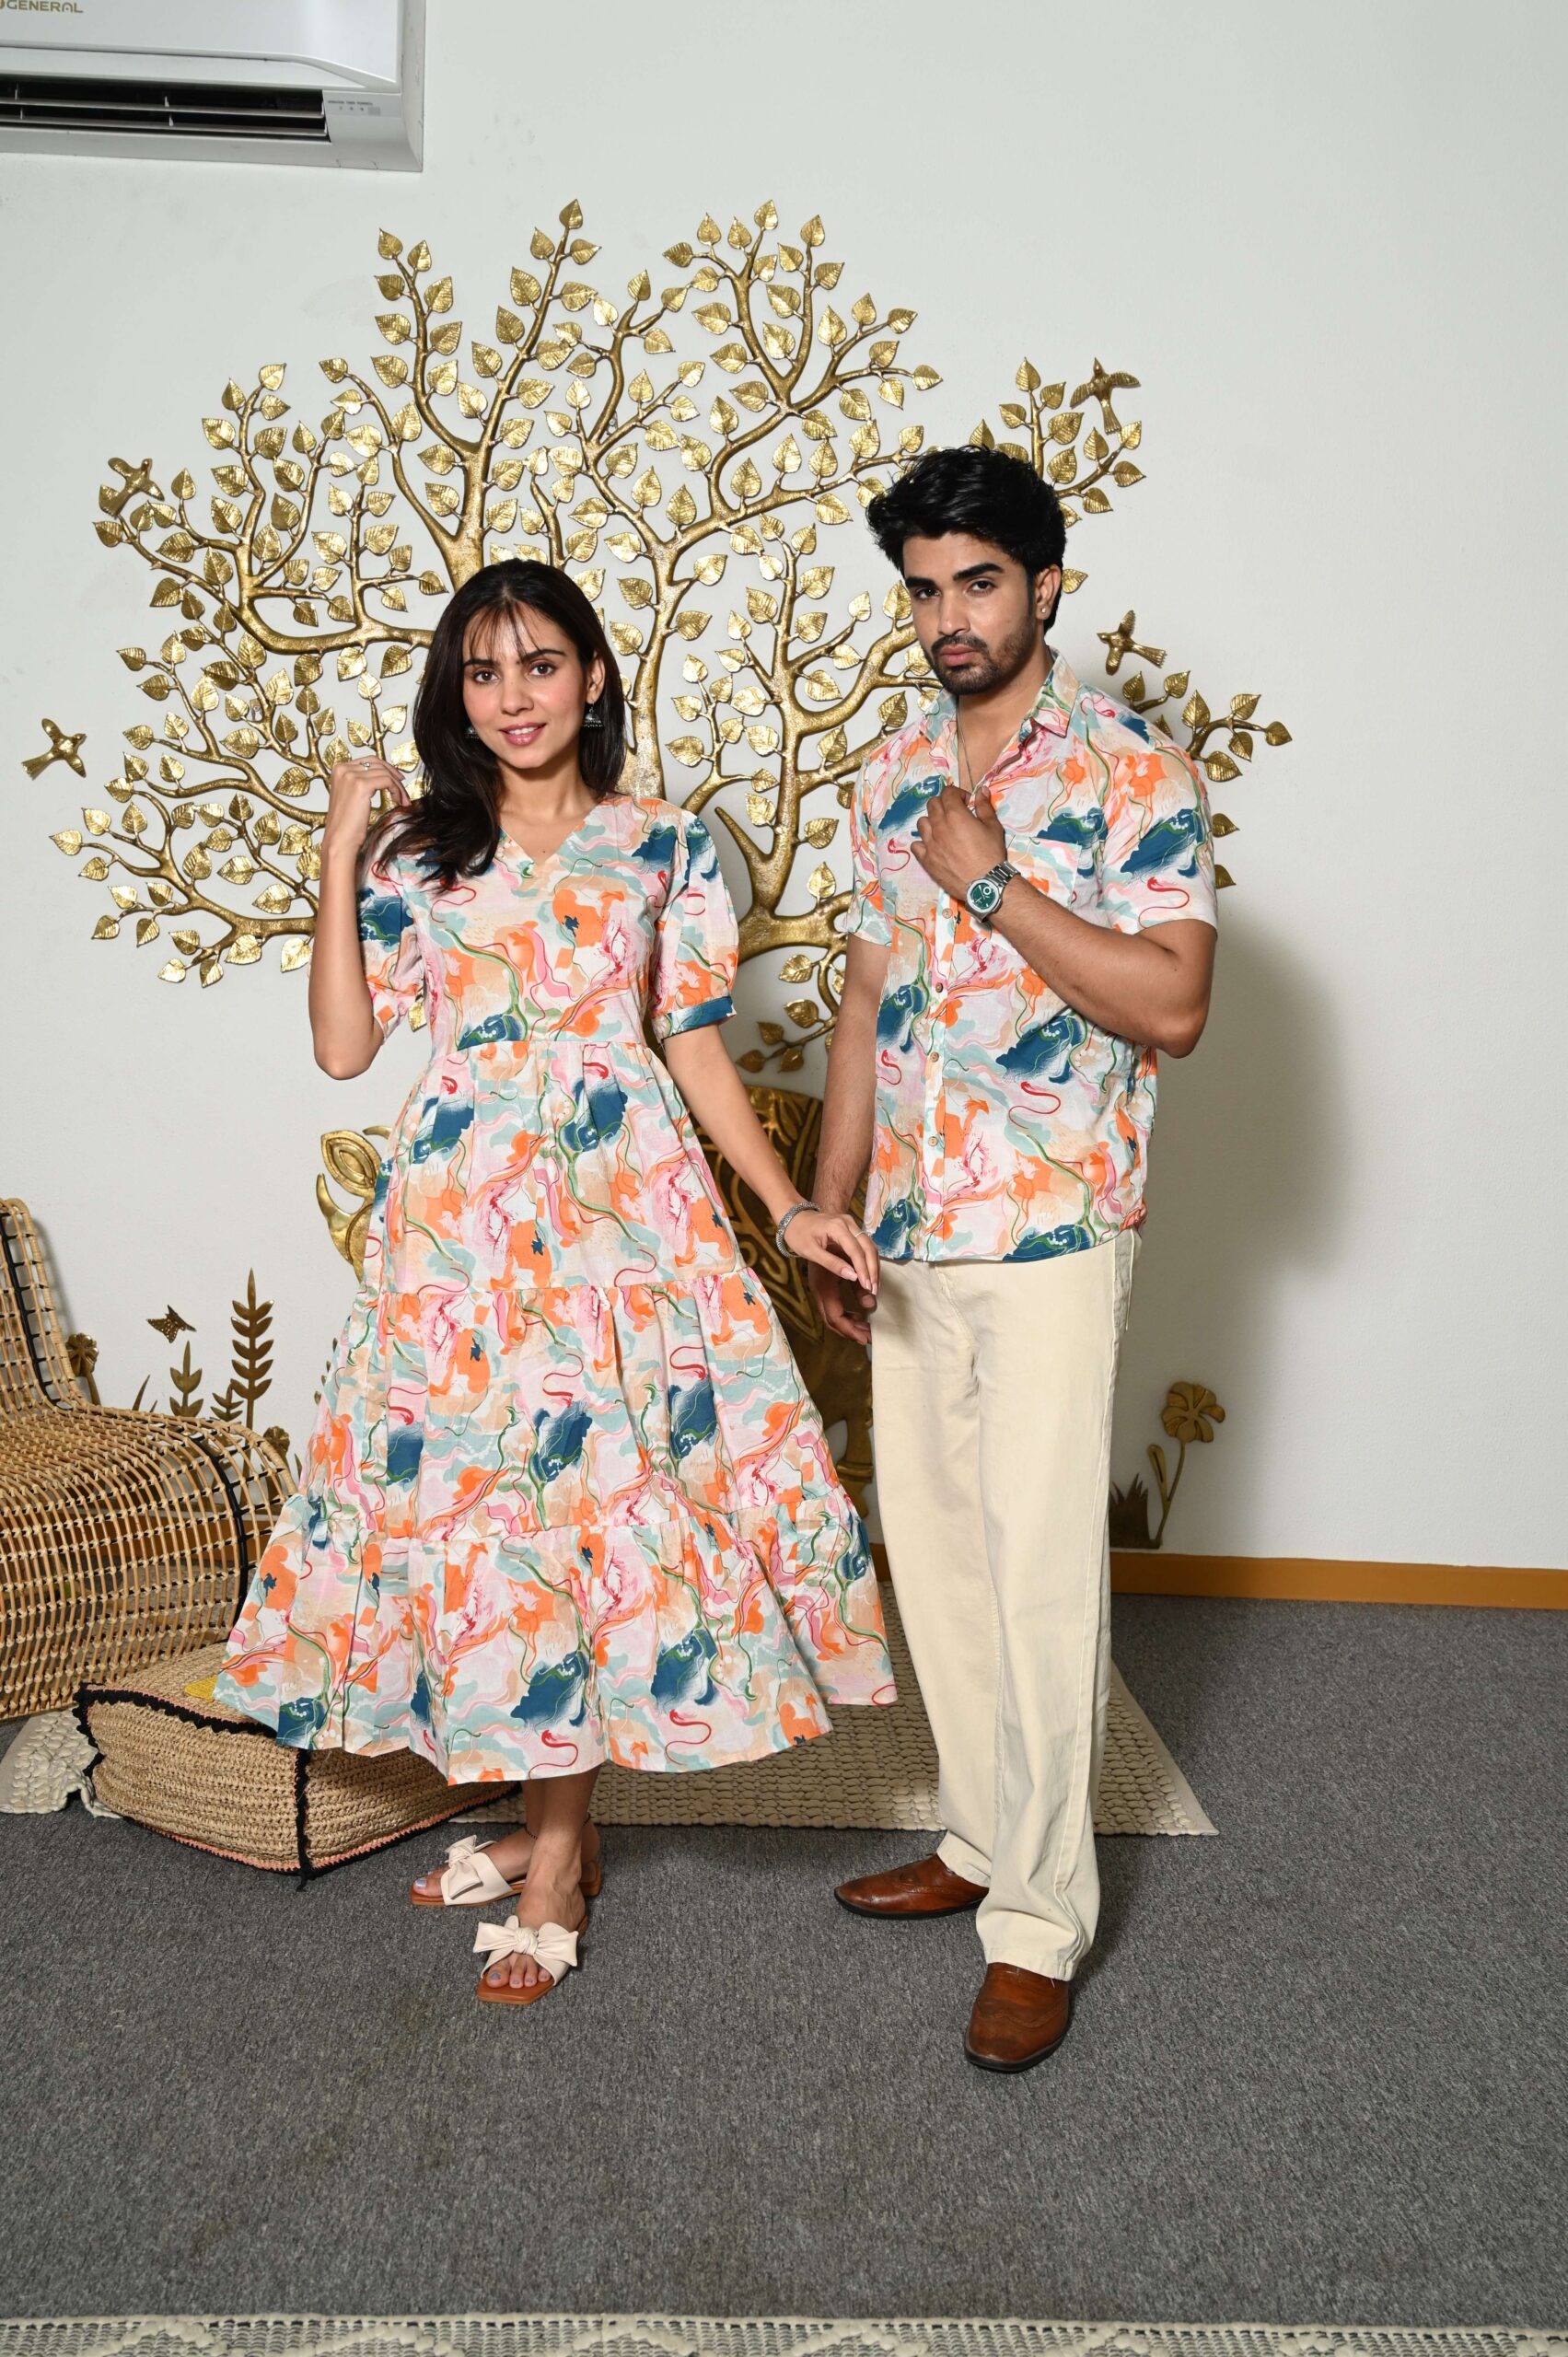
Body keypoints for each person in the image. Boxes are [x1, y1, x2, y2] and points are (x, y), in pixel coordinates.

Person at [215, 559, 893, 2008]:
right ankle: (544, 1827)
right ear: (454, 696)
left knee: (589, 1500)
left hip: (619, 1215)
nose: (512, 698)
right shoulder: (419, 854)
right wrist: (339, 854)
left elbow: (693, 1043)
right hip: (460, 1227)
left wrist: (790, 1207)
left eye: (539, 665)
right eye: (482, 672)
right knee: (492, 1508)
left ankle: (559, 1859)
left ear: (592, 676)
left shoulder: (664, 846)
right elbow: (344, 1048)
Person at [810, 446, 1217, 2072]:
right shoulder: (890, 771)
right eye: (924, 588)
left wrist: (992, 883)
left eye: (977, 582)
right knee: (943, 1566)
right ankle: (982, 1836)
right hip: (910, 1232)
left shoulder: (1134, 770)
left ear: (1046, 585)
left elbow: (1172, 1004)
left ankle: (1040, 1924)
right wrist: (831, 1204)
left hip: (1051, 1225)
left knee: (1041, 1580)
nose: (948, 618)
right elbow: (862, 1002)